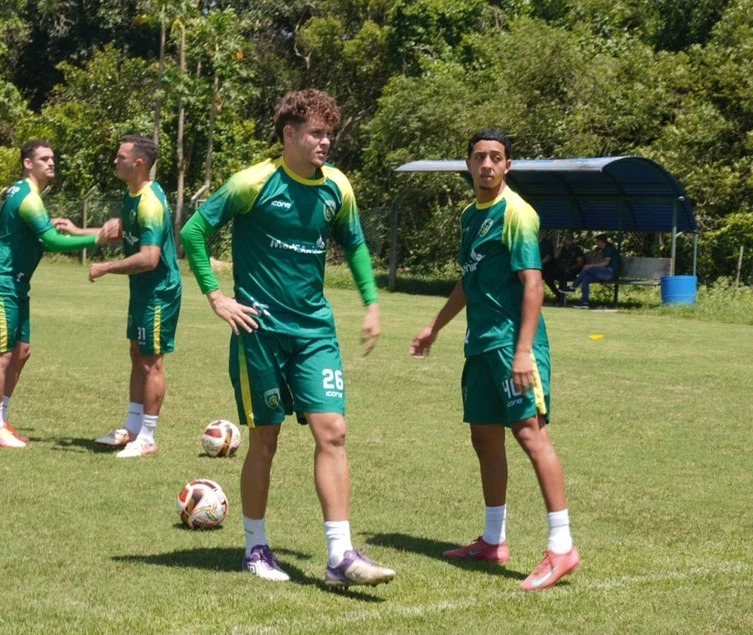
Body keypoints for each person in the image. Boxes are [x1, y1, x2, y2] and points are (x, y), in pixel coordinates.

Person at [179, 89, 395, 588]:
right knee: (265, 440)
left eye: (329, 133)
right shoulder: (252, 182)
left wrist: (371, 303)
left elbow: (354, 242)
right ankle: (255, 547)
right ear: (289, 134)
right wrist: (217, 298)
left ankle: (340, 557)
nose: (325, 142)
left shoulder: (337, 186)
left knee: (333, 431)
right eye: (316, 133)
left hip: (315, 330)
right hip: (259, 332)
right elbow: (193, 232)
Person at [409, 128, 580, 592]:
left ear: (508, 165)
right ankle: (492, 540)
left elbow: (532, 284)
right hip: (480, 344)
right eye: (479, 156)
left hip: (512, 346)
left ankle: (562, 547)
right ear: (468, 163)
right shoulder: (470, 215)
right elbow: (470, 280)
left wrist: (523, 352)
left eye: (496, 157)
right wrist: (435, 327)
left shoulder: (516, 213)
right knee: (484, 437)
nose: (487, 164)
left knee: (530, 434)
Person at [0, 139, 114, 448]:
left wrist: (87, 232)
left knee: (21, 351)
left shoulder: (25, 194)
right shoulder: (28, 197)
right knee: (1, 354)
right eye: (44, 158)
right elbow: (52, 242)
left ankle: (1, 421)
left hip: (15, 284)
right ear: (27, 163)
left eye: (53, 158)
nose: (51, 163)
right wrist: (97, 239)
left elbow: (36, 235)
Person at [55, 135, 181, 459]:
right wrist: (79, 230)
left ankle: (148, 438)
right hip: (142, 291)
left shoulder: (150, 203)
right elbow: (121, 232)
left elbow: (149, 258)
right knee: (137, 354)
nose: (115, 160)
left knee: (151, 363)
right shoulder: (132, 194)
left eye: (120, 156)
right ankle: (132, 428)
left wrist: (106, 267)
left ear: (138, 163)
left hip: (159, 293)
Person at [568, 234, 621, 309]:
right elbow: (598, 252)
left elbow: (606, 262)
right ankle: (585, 303)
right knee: (586, 278)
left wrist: (590, 265)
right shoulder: (605, 248)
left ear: (601, 241)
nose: (596, 243)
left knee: (586, 268)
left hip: (609, 273)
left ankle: (573, 287)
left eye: (597, 241)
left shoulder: (608, 248)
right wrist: (594, 252)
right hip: (604, 272)